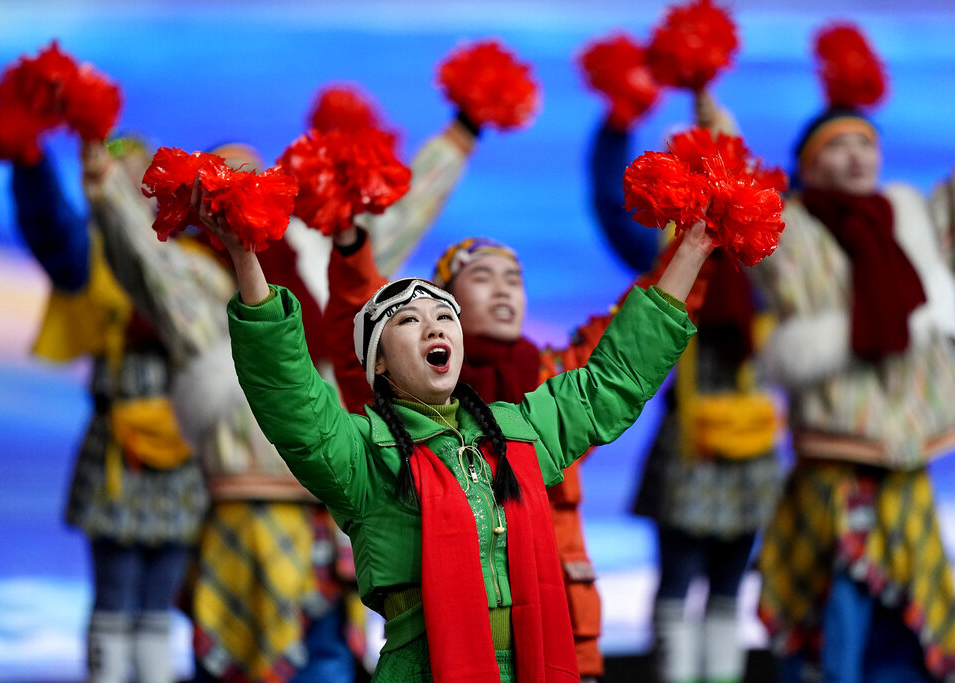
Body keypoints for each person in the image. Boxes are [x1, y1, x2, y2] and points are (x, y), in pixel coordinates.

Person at [205, 140, 713, 683]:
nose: (433, 327)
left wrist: (693, 248)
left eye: (443, 316)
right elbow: (288, 393)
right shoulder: (362, 455)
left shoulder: (519, 430)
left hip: (533, 663)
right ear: (377, 364)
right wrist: (245, 257)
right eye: (407, 320)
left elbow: (613, 379)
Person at [80, 139, 364, 683]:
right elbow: (139, 253)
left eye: (260, 177)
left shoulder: (317, 268)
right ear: (200, 195)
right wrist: (102, 174)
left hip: (328, 517)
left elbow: (389, 230)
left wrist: (465, 129)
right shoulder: (196, 289)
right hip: (234, 514)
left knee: (326, 662)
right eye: (227, 177)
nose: (246, 188)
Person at [325, 226, 619, 681]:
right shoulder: (404, 404)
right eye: (482, 277)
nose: (502, 288)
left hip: (564, 628)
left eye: (514, 278)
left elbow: (632, 347)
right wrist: (351, 249)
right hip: (447, 648)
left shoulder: (557, 375)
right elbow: (364, 327)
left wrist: (697, 241)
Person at [750, 104, 955, 682]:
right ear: (810, 165)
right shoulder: (790, 229)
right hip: (835, 459)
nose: (856, 157)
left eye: (865, 145)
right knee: (838, 613)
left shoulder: (913, 221)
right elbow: (736, 195)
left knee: (908, 614)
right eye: (838, 147)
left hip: (909, 456)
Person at [589, 91, 782, 683]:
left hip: (748, 437)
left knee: (729, 584)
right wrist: (616, 124)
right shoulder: (664, 248)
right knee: (678, 574)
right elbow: (608, 203)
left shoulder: (768, 252)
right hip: (692, 437)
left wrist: (719, 119)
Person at [9, 141, 208, 683]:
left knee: (161, 597)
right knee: (116, 590)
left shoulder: (195, 267)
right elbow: (50, 227)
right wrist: (31, 163)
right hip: (120, 447)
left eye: (137, 180)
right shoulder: (92, 256)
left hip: (184, 445)